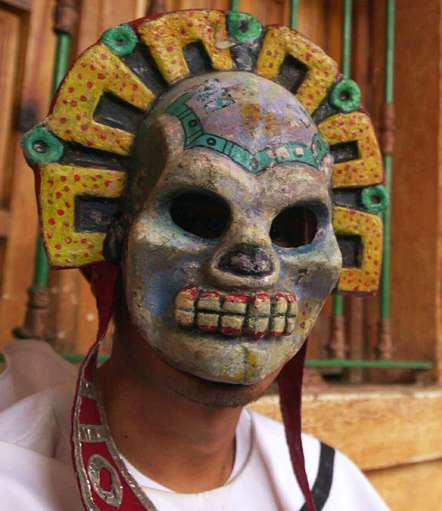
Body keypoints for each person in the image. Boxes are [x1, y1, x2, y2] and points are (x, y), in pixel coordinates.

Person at [0, 9, 388, 510]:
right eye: (198, 214)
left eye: (294, 227)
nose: (255, 265)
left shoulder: (336, 492)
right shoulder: (14, 482)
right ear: (113, 231)